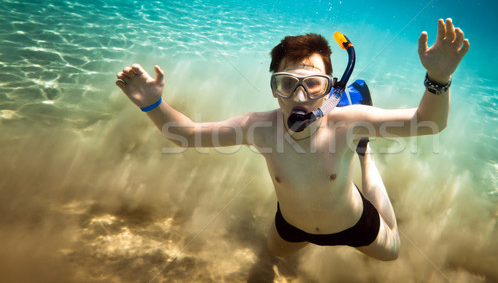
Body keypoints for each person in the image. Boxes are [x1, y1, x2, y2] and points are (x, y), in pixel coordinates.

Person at [115, 18, 469, 261]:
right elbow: (187, 136)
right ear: (274, 89)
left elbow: (427, 123)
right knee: (275, 253)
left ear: (331, 91)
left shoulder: (348, 122)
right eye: (287, 84)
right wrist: (153, 104)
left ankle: (366, 157)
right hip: (291, 225)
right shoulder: (260, 127)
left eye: (313, 84)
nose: (299, 98)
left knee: (394, 252)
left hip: (355, 224)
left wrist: (438, 78)